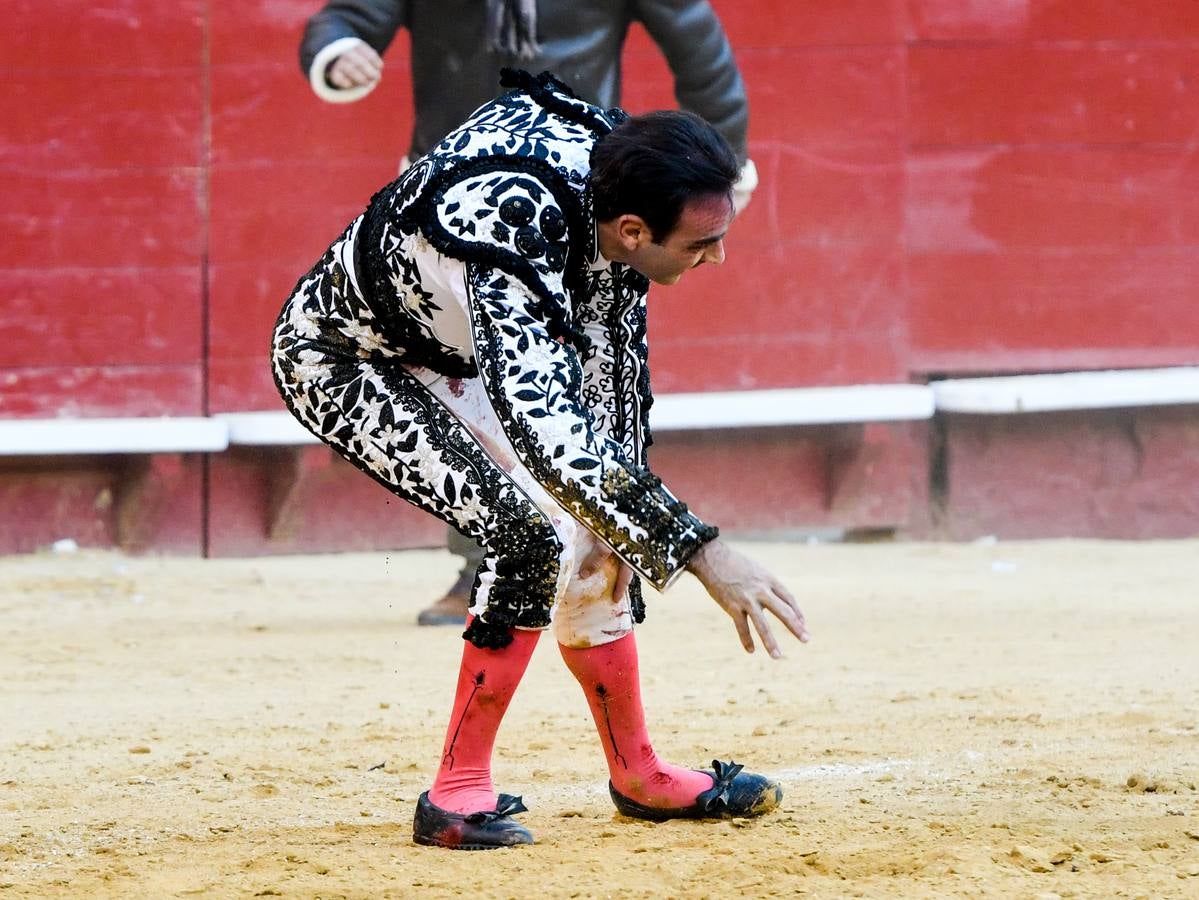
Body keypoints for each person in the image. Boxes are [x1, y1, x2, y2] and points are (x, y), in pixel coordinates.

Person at [272, 69, 808, 850]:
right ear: (632, 230)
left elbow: (607, 410)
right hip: (350, 357)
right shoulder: (510, 222)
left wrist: (630, 529)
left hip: (455, 346)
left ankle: (640, 774)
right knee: (527, 531)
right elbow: (548, 434)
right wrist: (701, 550)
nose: (717, 258)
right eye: (703, 243)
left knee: (597, 527)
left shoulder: (623, 178)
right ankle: (455, 794)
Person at [299, 0, 760, 626]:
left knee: (571, 386)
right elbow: (349, 18)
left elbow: (701, 54)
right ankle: (487, 564)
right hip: (451, 207)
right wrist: (338, 48)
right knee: (500, 393)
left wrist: (712, 183)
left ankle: (579, 550)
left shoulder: (620, 215)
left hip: (587, 195)